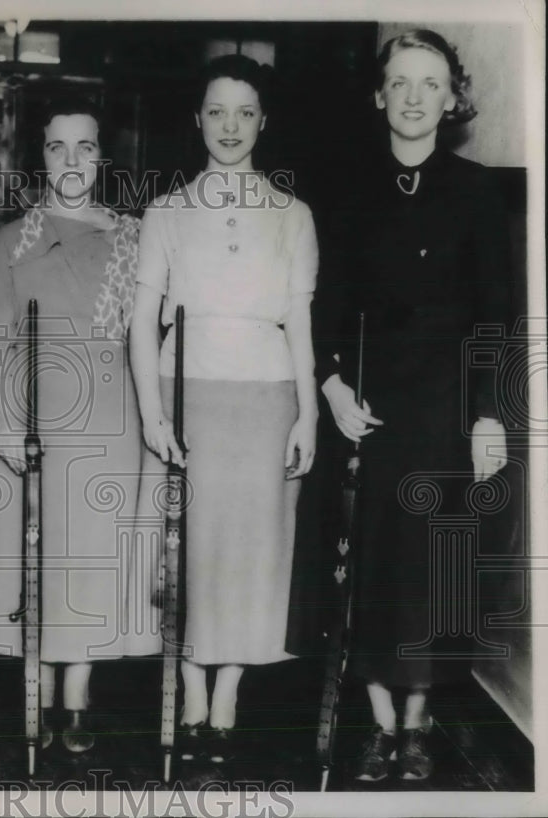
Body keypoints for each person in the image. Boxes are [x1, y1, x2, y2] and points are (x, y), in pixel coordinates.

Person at [314, 29, 511, 782]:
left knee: (428, 570)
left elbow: (495, 316)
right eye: (401, 82)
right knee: (368, 568)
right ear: (379, 95)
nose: (415, 96)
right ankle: (377, 724)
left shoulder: (478, 192)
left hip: (444, 411)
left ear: (452, 98)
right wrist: (332, 388)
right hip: (366, 411)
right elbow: (324, 307)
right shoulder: (349, 192)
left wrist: (488, 413)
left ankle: (419, 726)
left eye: (431, 83)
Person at [130, 55, 319, 765]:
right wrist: (153, 412)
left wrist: (307, 415)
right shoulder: (167, 211)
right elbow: (141, 321)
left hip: (267, 400)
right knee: (189, 549)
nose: (231, 126)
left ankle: (231, 683)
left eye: (245, 112)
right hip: (189, 395)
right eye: (217, 111)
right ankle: (187, 681)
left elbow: (299, 322)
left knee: (251, 552)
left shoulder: (293, 215)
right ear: (198, 119)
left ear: (263, 121)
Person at [0, 99, 159, 754]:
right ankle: (36, 689)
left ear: (103, 158)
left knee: (92, 552)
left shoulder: (135, 236)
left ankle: (77, 696)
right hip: (33, 409)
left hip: (109, 409)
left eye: (86, 147)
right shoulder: (7, 240)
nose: (73, 161)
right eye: (59, 148)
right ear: (42, 157)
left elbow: (152, 331)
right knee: (38, 553)